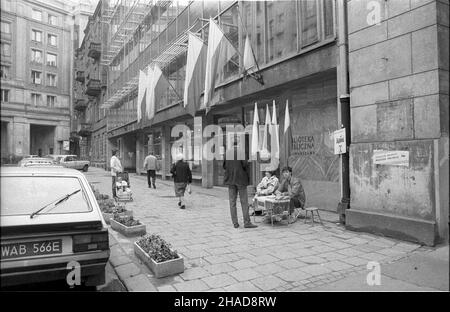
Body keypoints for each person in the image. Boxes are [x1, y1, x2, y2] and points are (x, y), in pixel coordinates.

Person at [223, 143, 257, 229]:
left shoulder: (227, 153)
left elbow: (224, 166)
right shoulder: (241, 152)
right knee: (244, 201)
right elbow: (245, 164)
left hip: (230, 180)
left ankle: (235, 223)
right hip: (241, 180)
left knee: (232, 202)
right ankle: (247, 222)